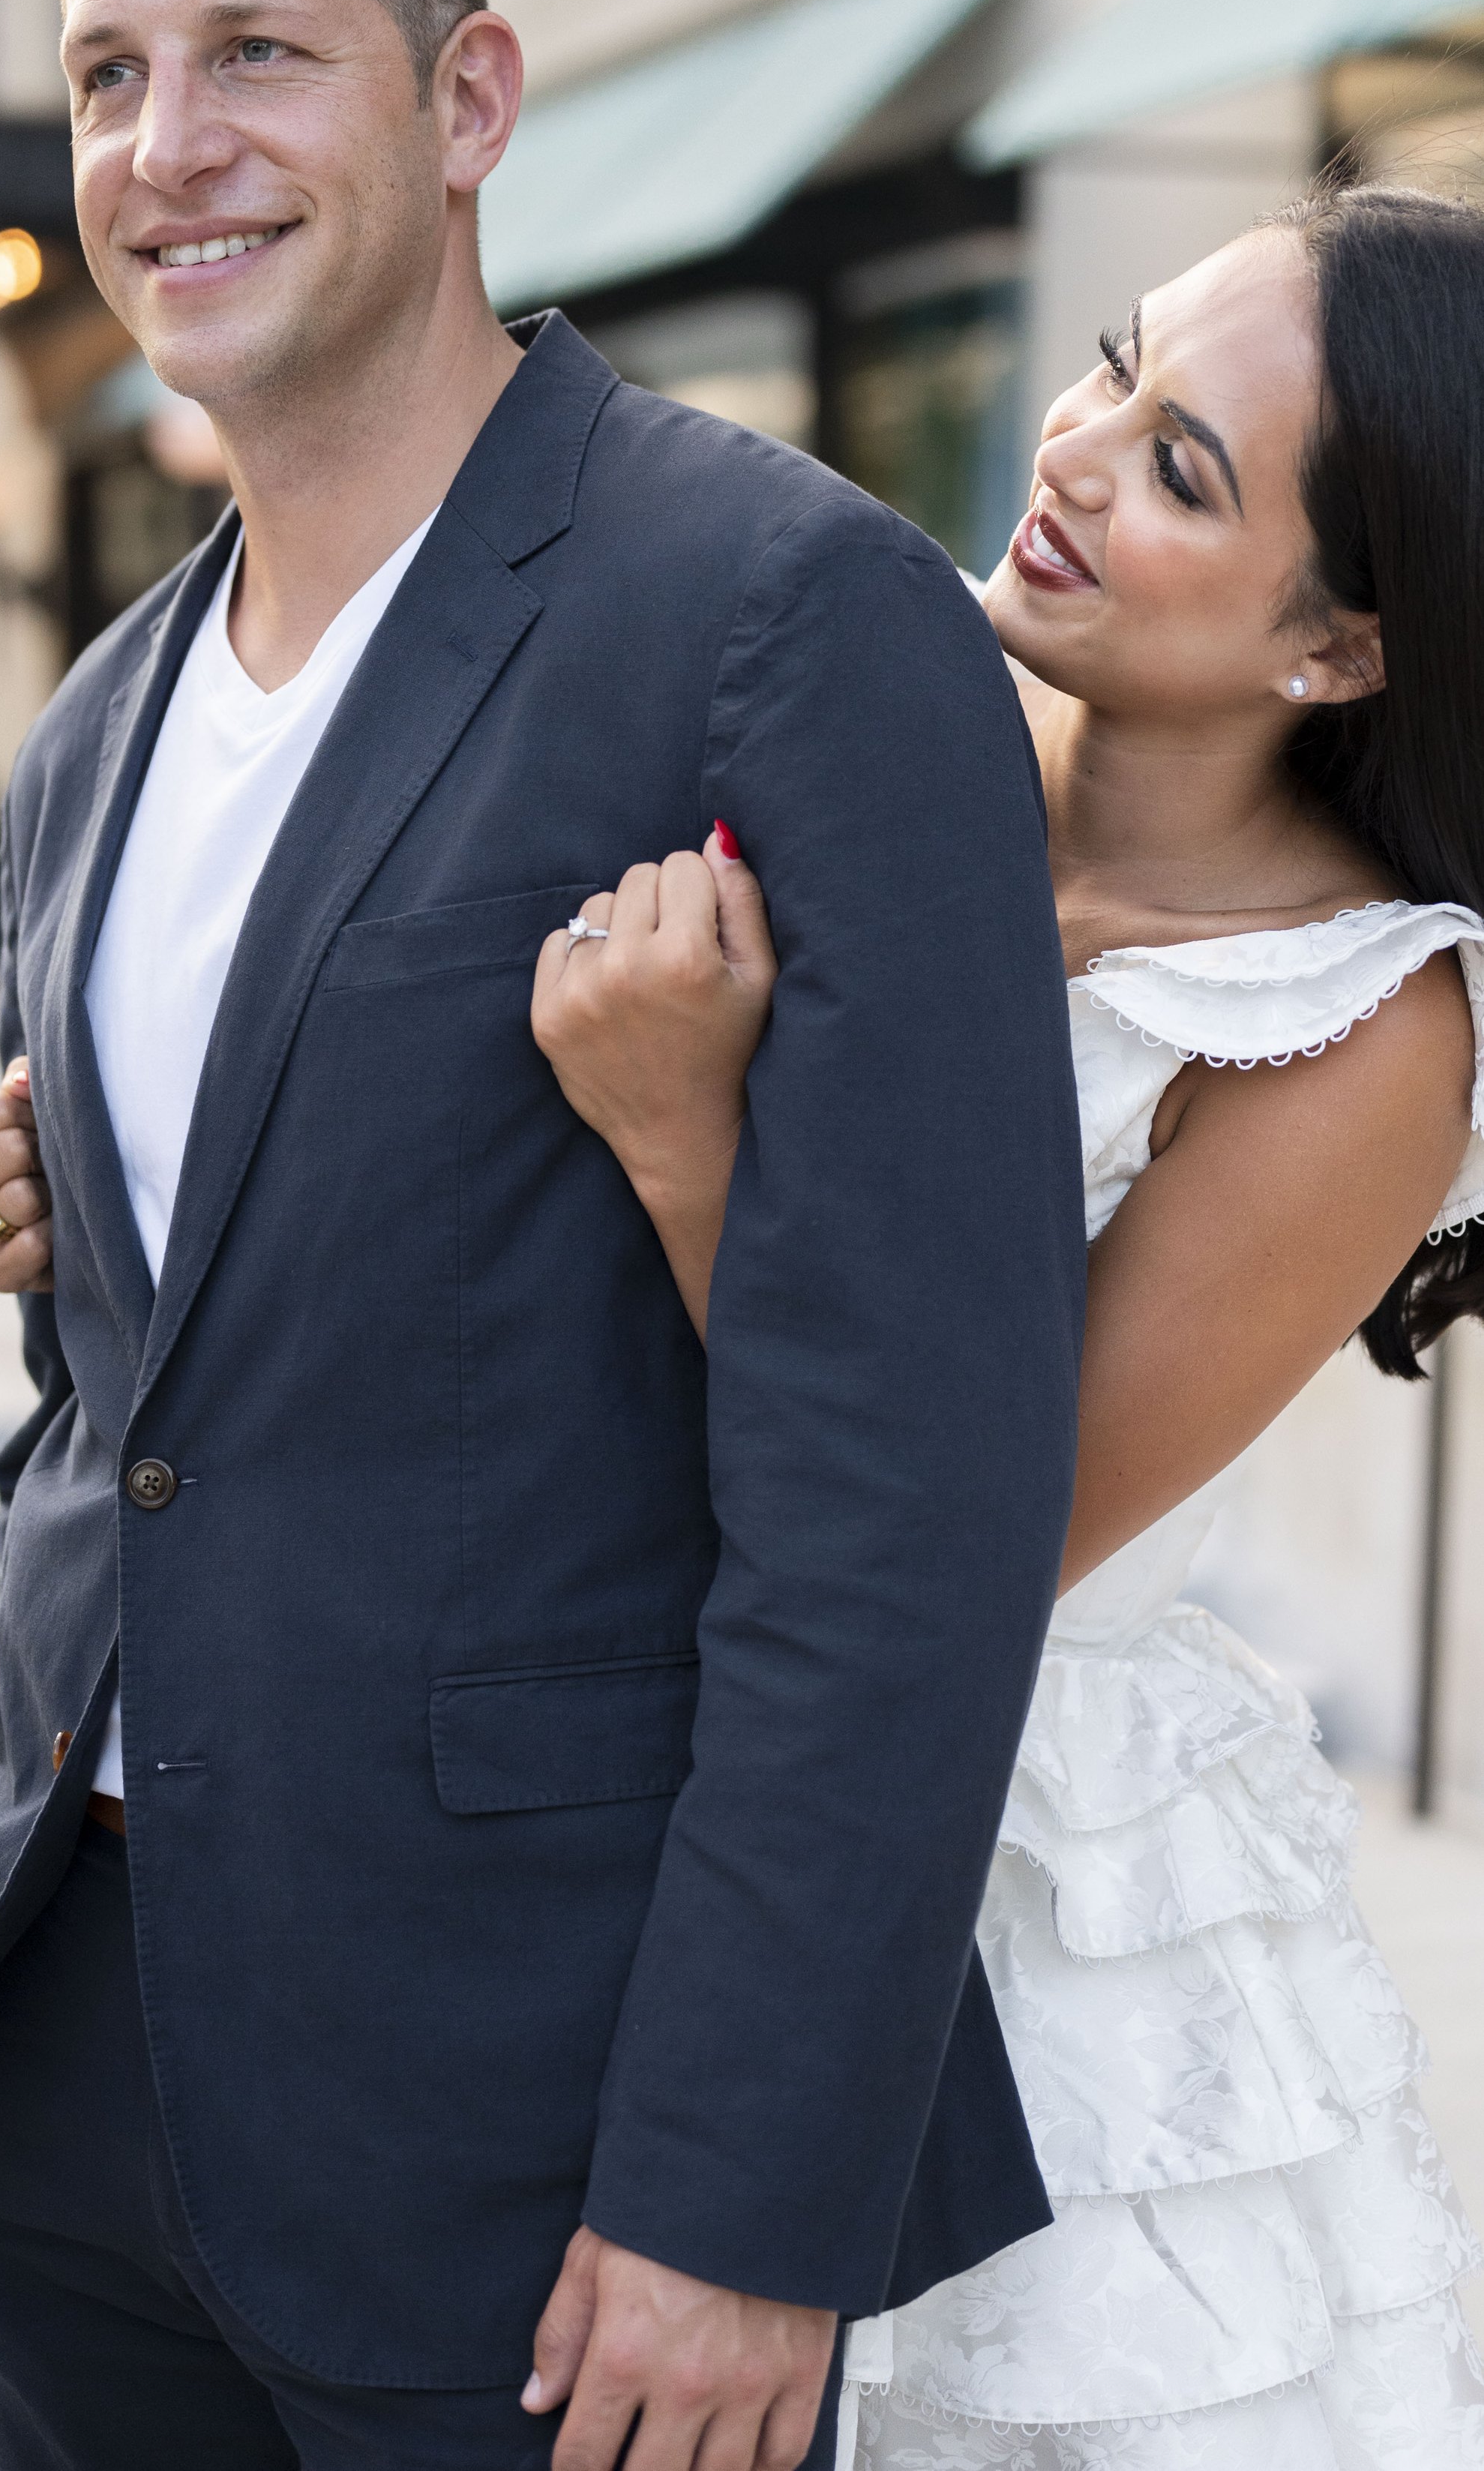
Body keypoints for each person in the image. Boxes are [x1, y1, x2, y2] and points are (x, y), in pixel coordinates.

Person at [0, 0, 1085, 2471]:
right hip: (64, 2096)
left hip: (545, 2140)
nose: (170, 146)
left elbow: (912, 1495)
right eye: (111, 75)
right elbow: (161, 1394)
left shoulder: (778, 617)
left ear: (465, 100)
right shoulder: (86, 730)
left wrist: (748, 2198)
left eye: (260, 51)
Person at [531, 181, 1484, 2467]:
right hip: (613, 1742)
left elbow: (983, 1523)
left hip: (1011, 1878)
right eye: (1110, 365)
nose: (1065, 451)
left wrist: (686, 1142)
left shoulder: (1354, 1028)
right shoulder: (866, 741)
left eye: (1179, 470)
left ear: (1341, 646)